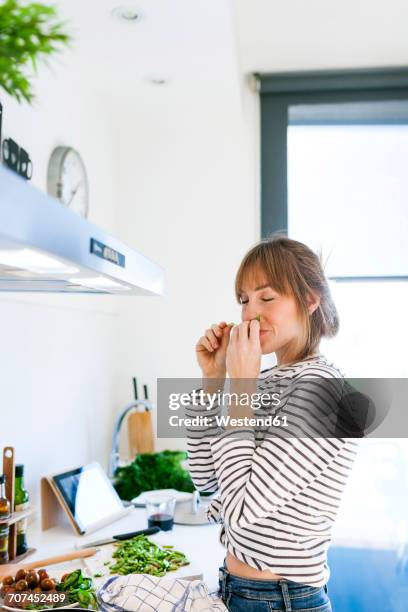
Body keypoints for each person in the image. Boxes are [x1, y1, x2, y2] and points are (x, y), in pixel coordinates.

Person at [186, 234, 358, 612]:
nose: (250, 313)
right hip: (240, 588)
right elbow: (206, 479)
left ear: (310, 300)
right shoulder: (266, 380)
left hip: (282, 599)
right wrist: (213, 382)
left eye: (267, 298)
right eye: (244, 300)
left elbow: (241, 509)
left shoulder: (322, 390)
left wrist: (241, 386)